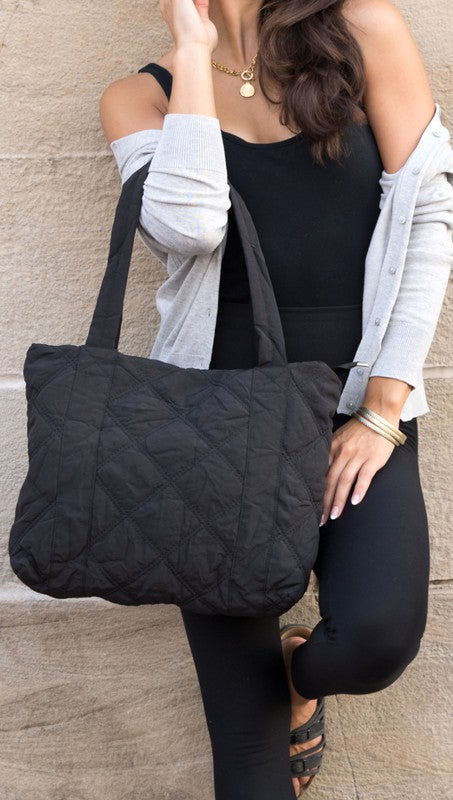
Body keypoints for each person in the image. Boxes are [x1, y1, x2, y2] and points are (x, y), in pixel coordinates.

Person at [100, 1, 452, 797]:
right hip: (209, 425)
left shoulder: (364, 30)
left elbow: (429, 213)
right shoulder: (139, 96)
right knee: (251, 763)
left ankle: (297, 669)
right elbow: (186, 229)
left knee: (374, 640)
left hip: (357, 406)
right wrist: (192, 52)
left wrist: (380, 409)